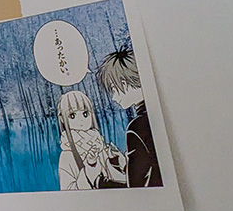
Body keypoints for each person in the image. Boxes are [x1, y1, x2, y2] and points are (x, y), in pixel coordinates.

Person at [96, 48, 162, 188]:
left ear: (124, 84)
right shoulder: (157, 116)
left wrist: (100, 182)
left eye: (113, 89)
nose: (113, 98)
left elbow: (135, 188)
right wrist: (126, 163)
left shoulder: (136, 128)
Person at [57, 90, 127, 190]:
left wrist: (118, 162)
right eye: (72, 116)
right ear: (63, 119)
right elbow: (68, 191)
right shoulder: (67, 155)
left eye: (85, 114)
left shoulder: (98, 144)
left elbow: (114, 179)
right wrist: (88, 171)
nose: (81, 120)